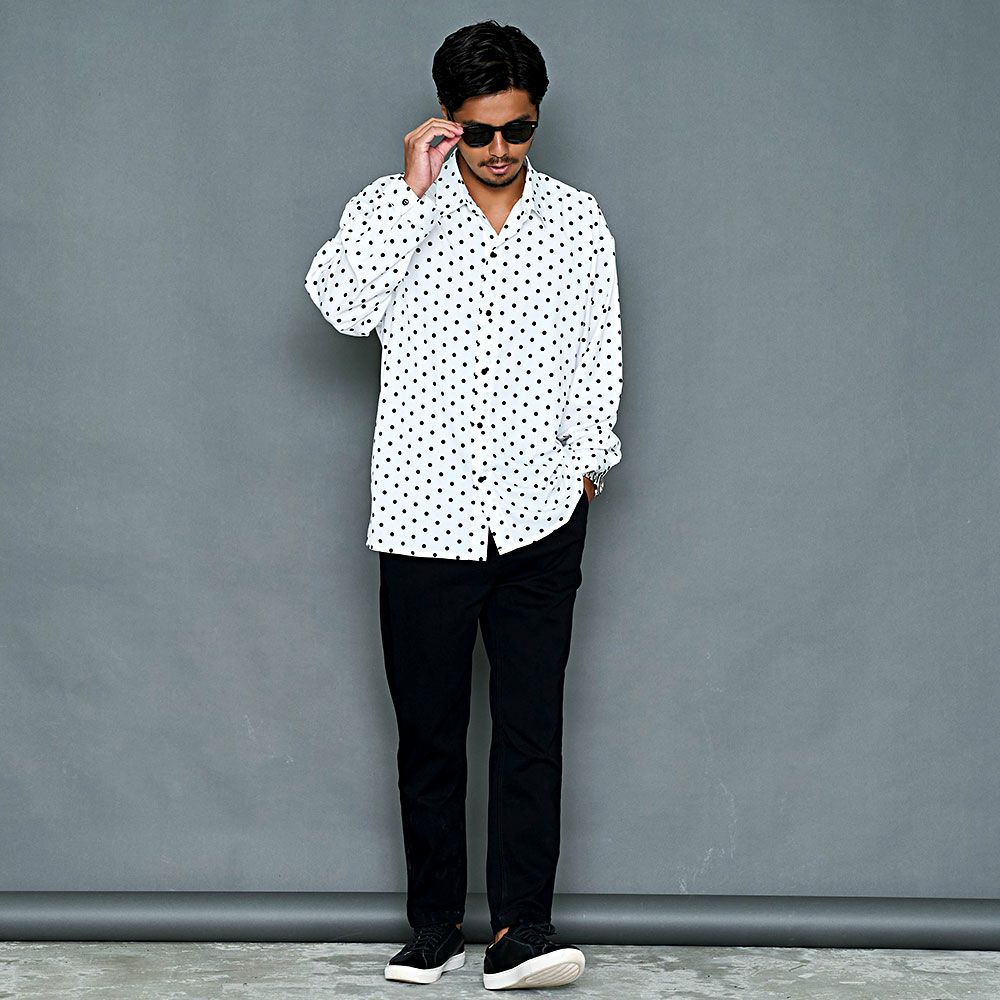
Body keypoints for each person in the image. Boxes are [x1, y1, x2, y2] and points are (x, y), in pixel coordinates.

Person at [304, 18, 623, 991]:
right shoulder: (392, 207)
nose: (498, 150)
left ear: (536, 120)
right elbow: (341, 307)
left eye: (517, 129)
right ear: (447, 119)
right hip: (422, 516)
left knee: (531, 732)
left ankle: (522, 930)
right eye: (479, 131)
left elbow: (599, 352)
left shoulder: (576, 221)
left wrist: (584, 468)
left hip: (538, 516)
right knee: (430, 734)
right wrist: (409, 191)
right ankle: (435, 925)